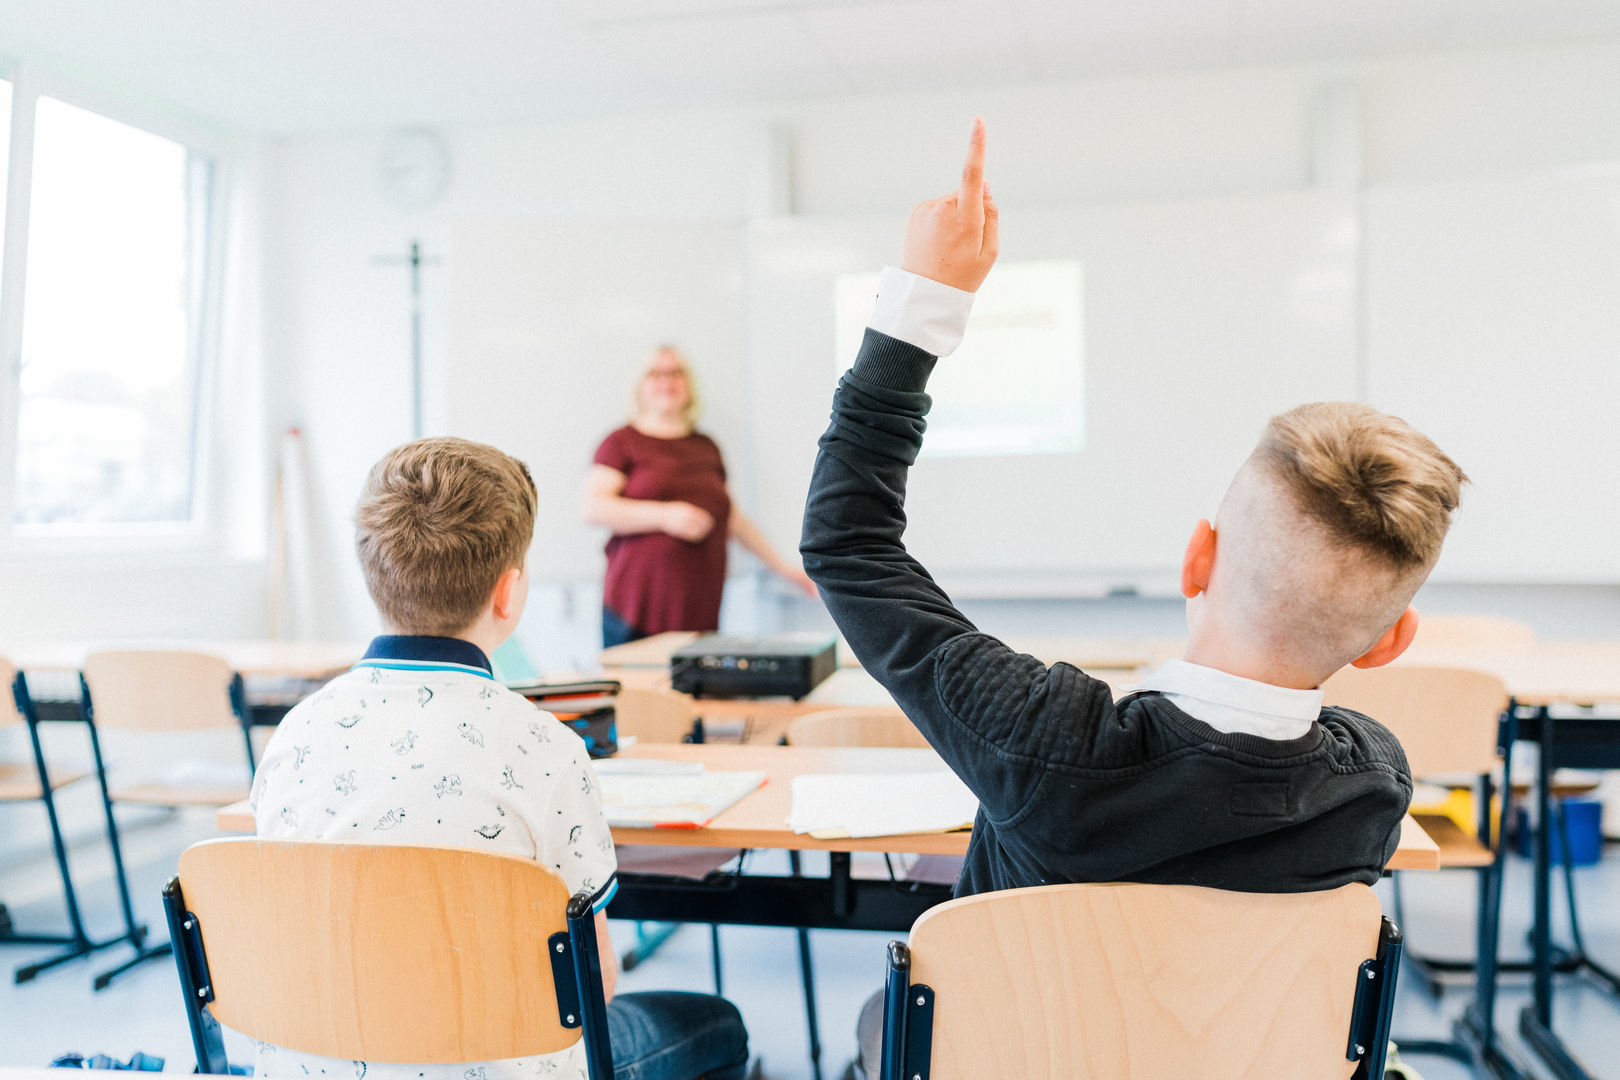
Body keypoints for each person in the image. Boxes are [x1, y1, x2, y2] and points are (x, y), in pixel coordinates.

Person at [799, 121, 1468, 1076]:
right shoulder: (1370, 785)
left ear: (1198, 555)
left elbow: (849, 543)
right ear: (1389, 641)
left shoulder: (1045, 736)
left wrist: (922, 304)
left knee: (888, 1017)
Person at [251, 437, 750, 1080]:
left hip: (312, 1060)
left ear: (372, 574)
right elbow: (589, 984)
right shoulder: (546, 750)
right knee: (715, 1024)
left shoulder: (294, 735)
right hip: (498, 1064)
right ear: (508, 594)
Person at [586, 346, 813, 647]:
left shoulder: (706, 446)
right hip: (635, 610)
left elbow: (733, 520)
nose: (667, 381)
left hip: (698, 609)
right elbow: (593, 507)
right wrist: (666, 516)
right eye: (656, 373)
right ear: (640, 385)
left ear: (688, 385)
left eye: (676, 373)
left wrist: (785, 569)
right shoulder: (622, 442)